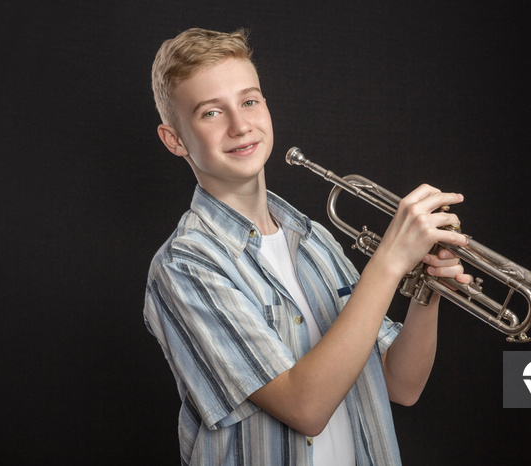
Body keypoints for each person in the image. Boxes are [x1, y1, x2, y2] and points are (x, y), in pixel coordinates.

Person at [143, 27, 472, 466]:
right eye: (210, 113)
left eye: (249, 101)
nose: (241, 125)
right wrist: (390, 262)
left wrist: (427, 288)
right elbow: (305, 407)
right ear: (175, 139)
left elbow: (401, 383)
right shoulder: (184, 266)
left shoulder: (315, 239)